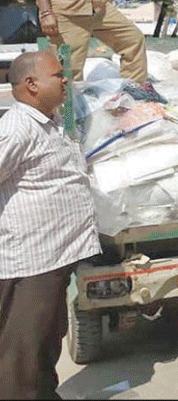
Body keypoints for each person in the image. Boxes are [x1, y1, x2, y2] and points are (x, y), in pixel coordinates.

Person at [0, 51, 101, 399]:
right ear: (31, 84)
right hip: (30, 263)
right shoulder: (17, 128)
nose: (65, 80)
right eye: (58, 75)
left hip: (55, 257)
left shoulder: (52, 121)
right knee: (21, 356)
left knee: (45, 343)